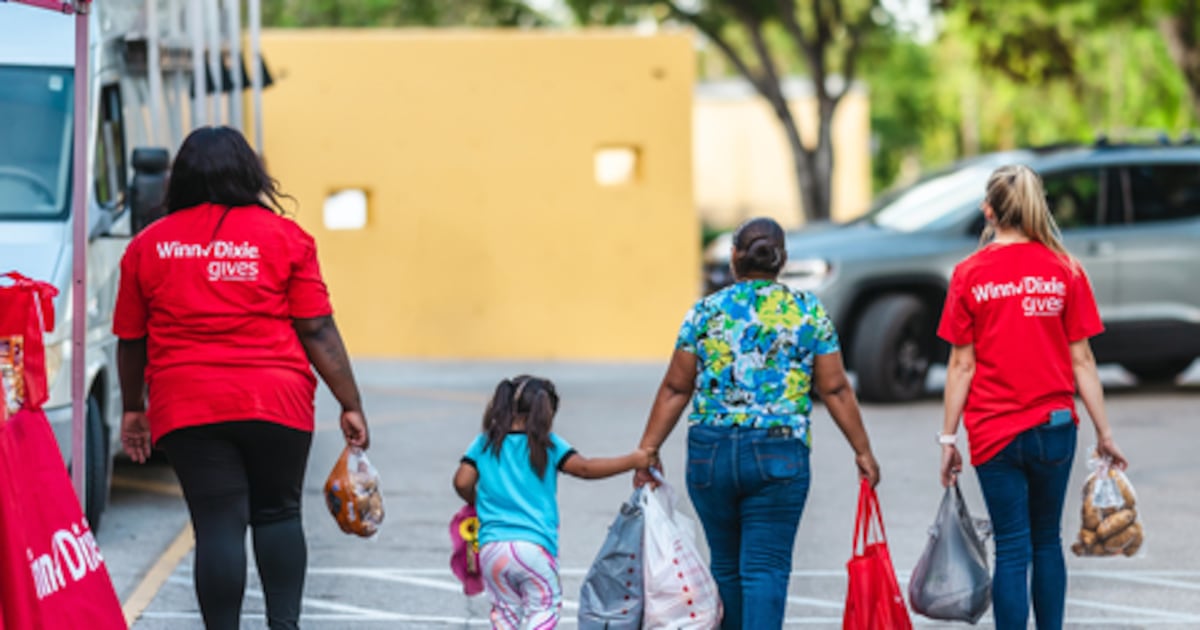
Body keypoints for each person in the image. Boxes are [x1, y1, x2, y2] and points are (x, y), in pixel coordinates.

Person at [114, 126, 369, 630]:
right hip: (277, 400)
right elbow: (316, 328)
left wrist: (132, 408)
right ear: (250, 173)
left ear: (180, 178)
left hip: (187, 403)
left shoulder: (148, 246)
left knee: (217, 524)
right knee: (278, 514)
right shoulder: (286, 238)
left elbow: (131, 338)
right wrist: (350, 402)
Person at [633, 217, 881, 629]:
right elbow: (835, 388)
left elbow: (676, 387)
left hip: (710, 453)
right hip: (778, 452)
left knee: (726, 566)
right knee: (765, 568)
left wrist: (648, 450)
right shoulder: (807, 311)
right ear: (782, 259)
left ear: (734, 257)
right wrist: (863, 451)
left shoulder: (705, 312)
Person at [937, 164, 1129, 630]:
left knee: (1012, 546)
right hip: (1055, 429)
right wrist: (1104, 433)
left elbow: (961, 366)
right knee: (1046, 540)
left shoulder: (968, 274)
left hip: (994, 433)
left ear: (988, 210)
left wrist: (948, 439)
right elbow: (1083, 360)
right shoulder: (1065, 269)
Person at [452, 375, 656, 629]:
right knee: (544, 607)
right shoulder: (546, 444)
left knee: (505, 612)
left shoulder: (485, 443)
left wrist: (478, 502)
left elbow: (462, 481)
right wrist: (633, 460)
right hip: (533, 547)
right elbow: (585, 468)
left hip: (492, 548)